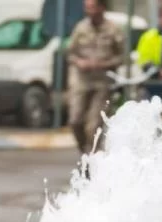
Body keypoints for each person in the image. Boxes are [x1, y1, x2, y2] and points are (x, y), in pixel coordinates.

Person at [66, 0, 126, 155]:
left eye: (92, 7)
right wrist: (79, 62)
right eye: (87, 8)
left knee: (94, 126)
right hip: (81, 81)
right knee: (75, 120)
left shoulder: (113, 30)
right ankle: (84, 151)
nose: (89, 11)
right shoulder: (81, 28)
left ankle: (92, 158)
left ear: (102, 8)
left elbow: (122, 57)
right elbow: (70, 53)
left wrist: (105, 64)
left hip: (102, 83)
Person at [136, 6, 162, 101]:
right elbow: (143, 61)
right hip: (153, 83)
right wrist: (159, 71)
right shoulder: (149, 37)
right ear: (161, 18)